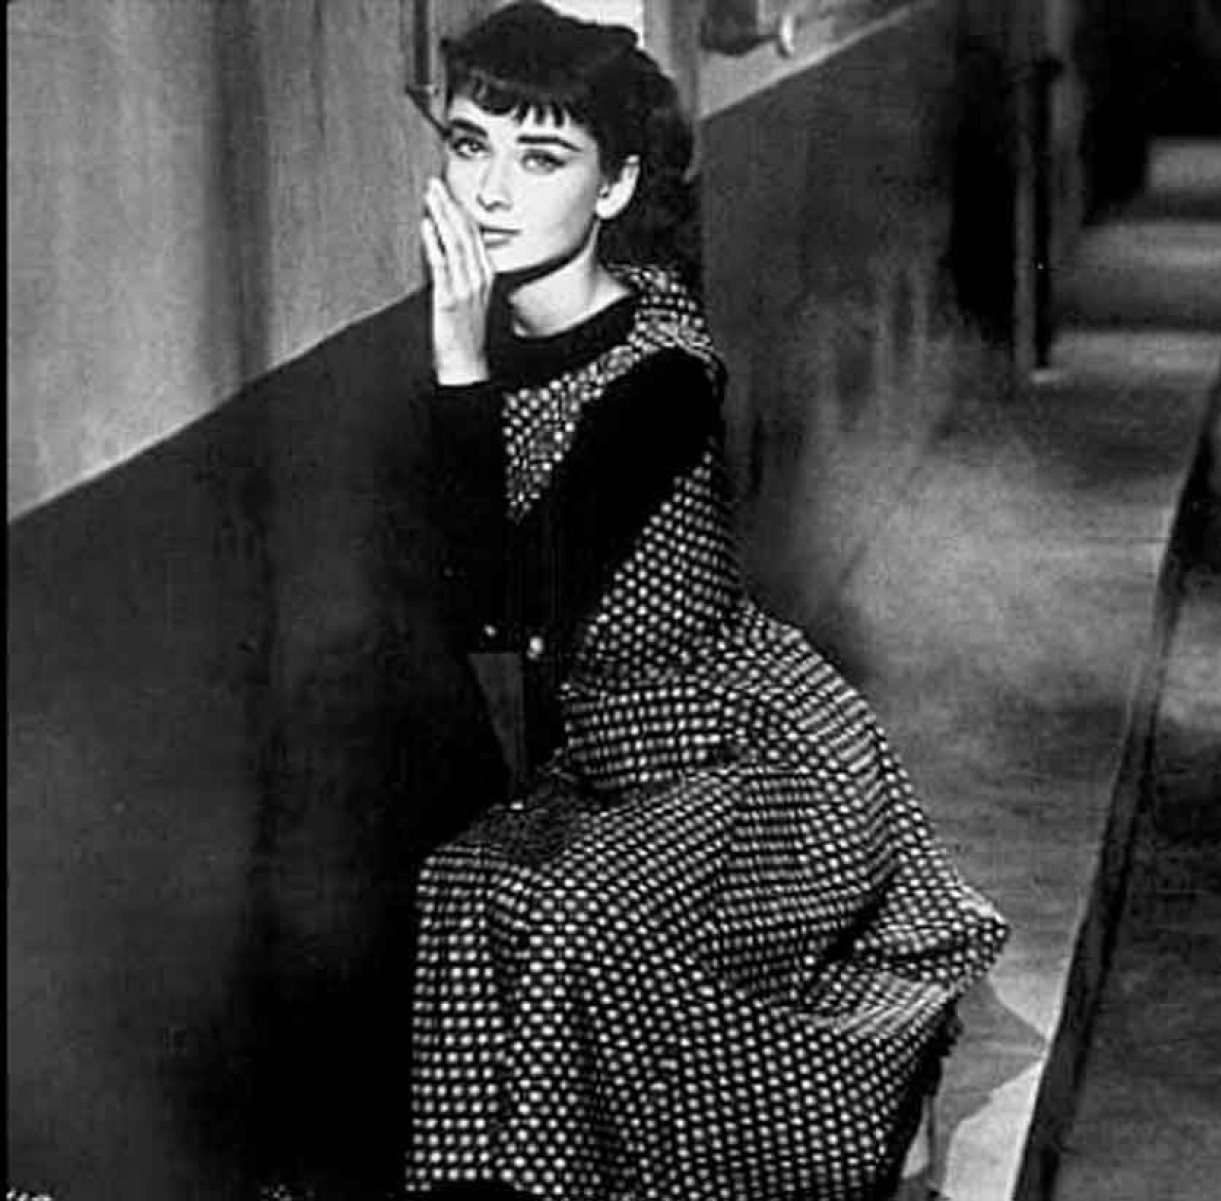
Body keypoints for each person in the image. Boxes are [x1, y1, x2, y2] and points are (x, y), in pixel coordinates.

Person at [405, 6, 1008, 1199]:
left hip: (751, 759)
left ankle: (851, 1094)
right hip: (605, 755)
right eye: (470, 145)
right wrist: (463, 365)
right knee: (456, 886)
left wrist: (458, 366)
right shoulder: (485, 339)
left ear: (616, 186)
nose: (491, 192)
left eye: (541, 157)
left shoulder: (662, 372)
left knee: (574, 912)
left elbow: (506, 610)